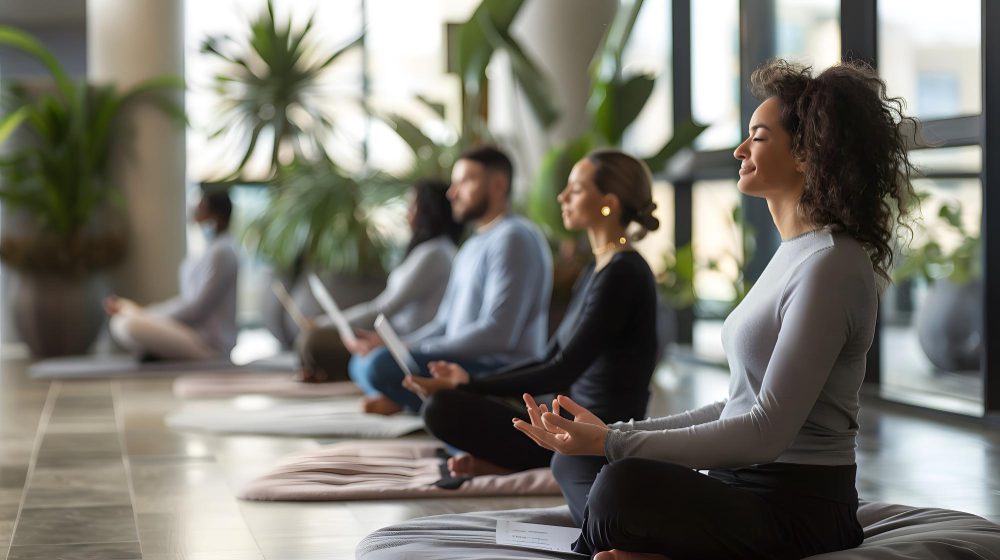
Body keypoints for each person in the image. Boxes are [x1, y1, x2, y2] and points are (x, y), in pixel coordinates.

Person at [513, 59, 917, 560]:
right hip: (742, 490)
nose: (739, 150)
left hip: (796, 511)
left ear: (808, 154)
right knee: (601, 475)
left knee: (619, 487)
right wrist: (612, 434)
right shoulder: (795, 254)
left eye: (759, 137)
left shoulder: (831, 266)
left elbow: (764, 432)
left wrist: (612, 446)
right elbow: (736, 405)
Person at [403, 149, 660, 478]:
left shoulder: (623, 274)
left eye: (576, 190)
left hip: (593, 436)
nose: (562, 196)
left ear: (608, 203)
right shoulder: (599, 268)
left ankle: (526, 464)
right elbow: (550, 355)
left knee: (442, 408)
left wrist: (468, 388)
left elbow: (560, 369)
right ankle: (515, 462)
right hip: (565, 423)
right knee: (444, 404)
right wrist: (467, 382)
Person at [347, 146, 553, 415]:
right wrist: (400, 345)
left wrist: (411, 348)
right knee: (363, 361)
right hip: (457, 361)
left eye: (465, 181)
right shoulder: (471, 246)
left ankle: (415, 402)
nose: (452, 193)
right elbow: (443, 323)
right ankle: (414, 401)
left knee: (379, 366)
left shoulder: (514, 237)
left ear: (499, 185)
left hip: (497, 372)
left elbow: (499, 334)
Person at [296, 179, 462, 382]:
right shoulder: (431, 251)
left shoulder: (434, 254)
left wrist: (323, 323)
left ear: (429, 211)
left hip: (402, 341)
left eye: (412, 206)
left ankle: (337, 371)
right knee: (315, 342)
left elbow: (384, 307)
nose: (407, 213)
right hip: (391, 337)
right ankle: (333, 371)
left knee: (312, 340)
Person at [106, 188, 240, 361]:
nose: (196, 217)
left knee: (128, 324)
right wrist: (144, 312)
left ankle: (158, 348)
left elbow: (197, 308)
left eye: (201, 211)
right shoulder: (209, 250)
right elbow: (187, 301)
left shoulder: (223, 252)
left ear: (216, 216)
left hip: (209, 342)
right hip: (192, 330)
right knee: (121, 321)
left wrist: (144, 313)